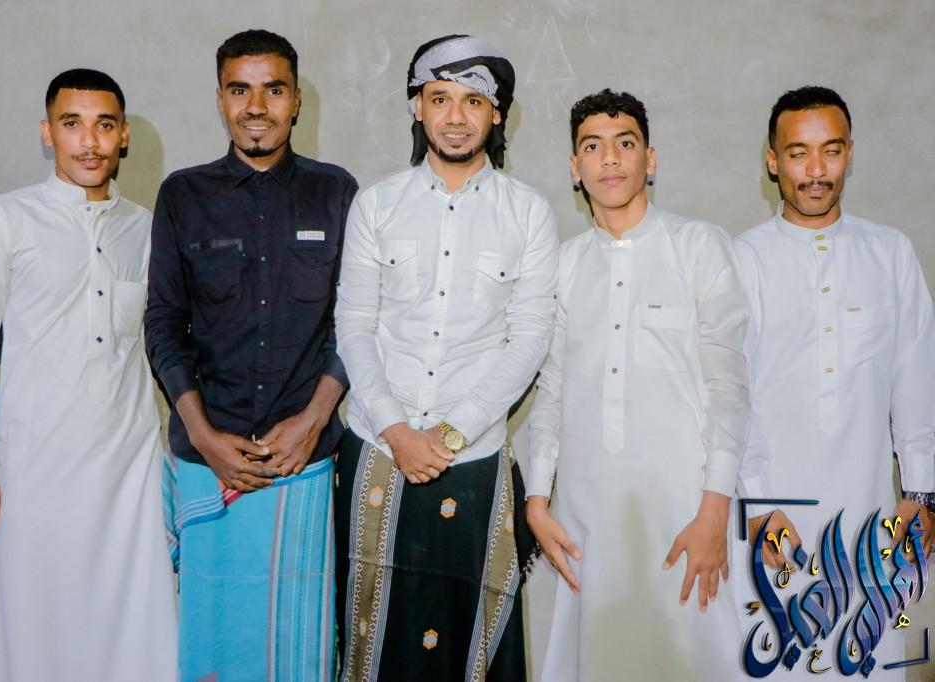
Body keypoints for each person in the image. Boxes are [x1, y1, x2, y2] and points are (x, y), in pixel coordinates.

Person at [334, 34, 558, 681]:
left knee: (469, 635)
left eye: (472, 101)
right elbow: (354, 326)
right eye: (440, 99)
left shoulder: (528, 213)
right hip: (378, 449)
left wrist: (450, 434)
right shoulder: (377, 205)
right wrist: (398, 431)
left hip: (473, 458)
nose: (455, 117)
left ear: (496, 113)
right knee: (371, 634)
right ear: (417, 107)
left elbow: (528, 339)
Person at [0, 69, 177, 681]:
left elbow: (159, 345)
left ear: (123, 135)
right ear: (48, 133)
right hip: (35, 469)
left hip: (130, 471)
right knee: (38, 628)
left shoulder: (146, 227)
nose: (89, 142)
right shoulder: (4, 219)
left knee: (136, 631)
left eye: (104, 125)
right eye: (72, 124)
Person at [145, 29, 357, 682]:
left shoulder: (337, 192)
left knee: (298, 646)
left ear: (296, 101)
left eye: (273, 89)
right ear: (220, 99)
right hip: (209, 465)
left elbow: (357, 324)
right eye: (240, 90)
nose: (256, 106)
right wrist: (203, 435)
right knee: (214, 642)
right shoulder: (182, 196)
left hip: (306, 465)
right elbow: (164, 324)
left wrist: (313, 422)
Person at [525, 89, 751, 680]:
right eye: (592, 147)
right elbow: (552, 389)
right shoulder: (565, 264)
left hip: (685, 510)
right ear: (574, 169)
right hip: (587, 515)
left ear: (650, 159)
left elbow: (729, 386)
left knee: (691, 659)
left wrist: (715, 509)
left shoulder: (698, 246)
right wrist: (537, 500)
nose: (610, 158)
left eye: (625, 143)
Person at [735, 85, 935, 680]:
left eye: (831, 150)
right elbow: (730, 396)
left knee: (866, 659)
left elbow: (917, 377)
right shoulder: (742, 260)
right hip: (774, 520)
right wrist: (757, 504)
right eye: (798, 153)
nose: (816, 171)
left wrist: (922, 492)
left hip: (871, 513)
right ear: (773, 161)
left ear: (850, 153)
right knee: (776, 659)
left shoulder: (890, 253)